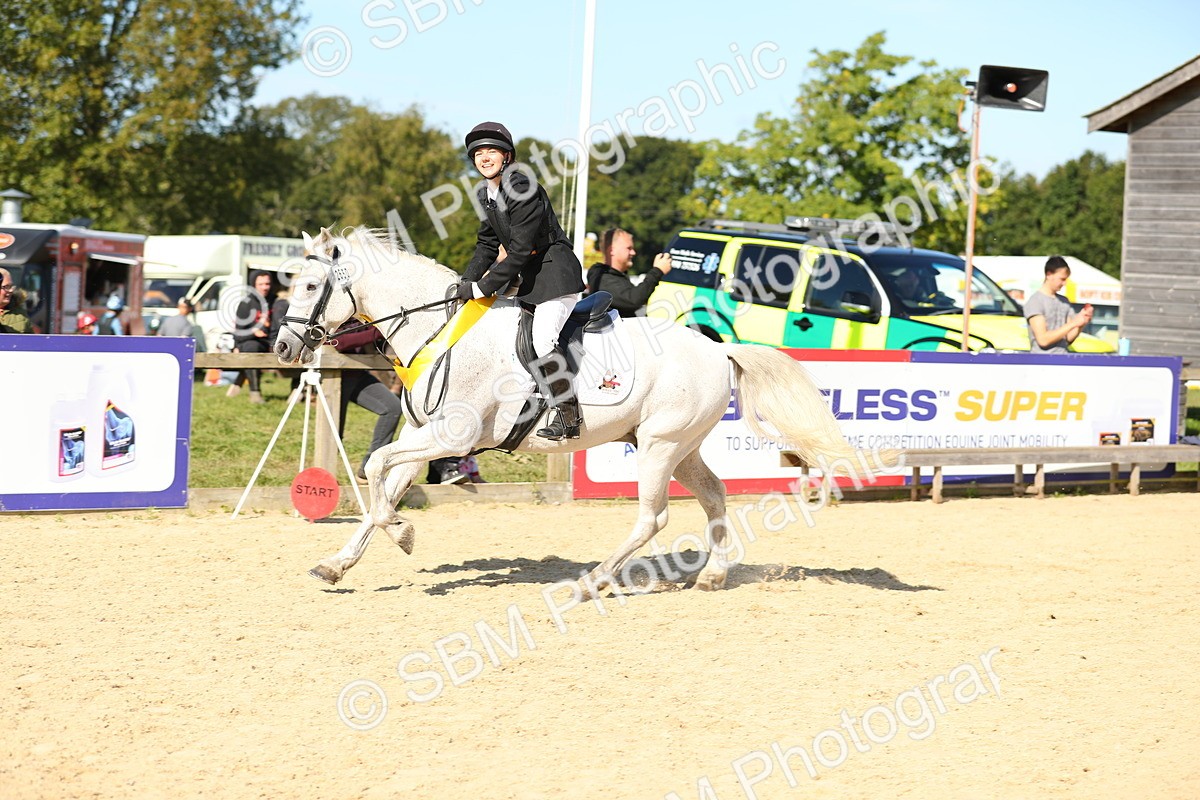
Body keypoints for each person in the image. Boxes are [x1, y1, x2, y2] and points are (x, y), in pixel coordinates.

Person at [456, 121, 587, 440]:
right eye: (478, 153)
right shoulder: (486, 193)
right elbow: (487, 243)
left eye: (491, 152)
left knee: (542, 340)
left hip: (556, 273)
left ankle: (570, 416)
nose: (484, 158)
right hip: (532, 280)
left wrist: (481, 288)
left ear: (507, 157)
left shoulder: (521, 186)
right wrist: (464, 283)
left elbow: (518, 251)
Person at [330, 323, 404, 484]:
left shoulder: (361, 316)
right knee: (334, 431)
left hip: (358, 374)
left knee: (392, 408)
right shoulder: (334, 311)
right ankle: (324, 481)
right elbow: (340, 342)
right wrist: (379, 330)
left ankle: (369, 468)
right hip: (332, 378)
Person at [585, 227, 673, 316]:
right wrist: (657, 271)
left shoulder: (616, 277)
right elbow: (633, 300)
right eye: (629, 248)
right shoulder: (601, 277)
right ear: (612, 250)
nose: (633, 252)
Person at [1025, 256, 1093, 354]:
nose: (1064, 283)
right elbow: (1043, 340)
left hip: (1063, 360)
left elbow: (1068, 339)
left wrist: (1081, 323)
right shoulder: (1035, 301)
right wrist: (1073, 323)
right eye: (1062, 279)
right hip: (1041, 362)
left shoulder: (1064, 301)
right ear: (1049, 274)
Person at [228, 270, 273, 403]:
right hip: (248, 343)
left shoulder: (275, 301)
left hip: (270, 342)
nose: (265, 287)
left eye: (267, 283)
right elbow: (238, 333)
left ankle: (299, 392)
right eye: (261, 284)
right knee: (251, 347)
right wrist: (253, 332)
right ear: (254, 285)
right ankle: (255, 393)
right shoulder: (246, 304)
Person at [0, 268, 31, 333]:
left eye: (11, 286)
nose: (11, 290)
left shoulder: (19, 313)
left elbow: (31, 341)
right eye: (6, 287)